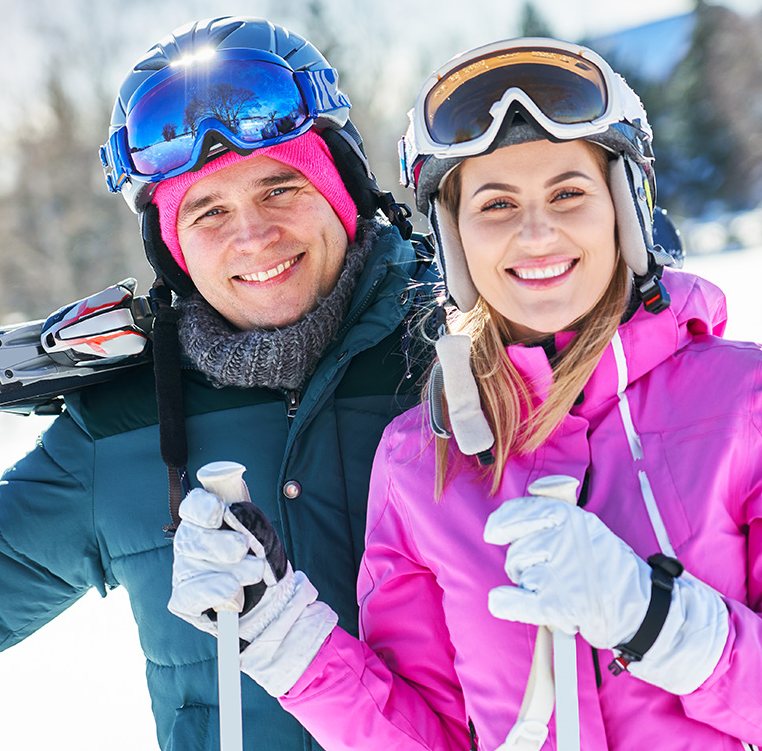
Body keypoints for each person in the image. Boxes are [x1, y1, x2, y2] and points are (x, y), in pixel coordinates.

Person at [168, 37, 762, 751]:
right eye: (496, 203)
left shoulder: (741, 403)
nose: (535, 232)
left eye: (568, 193)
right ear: (454, 242)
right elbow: (429, 736)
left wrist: (662, 623)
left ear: (622, 211)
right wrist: (278, 632)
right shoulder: (420, 460)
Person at [0, 15, 436, 751]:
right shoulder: (122, 423)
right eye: (208, 211)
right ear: (172, 246)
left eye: (280, 188)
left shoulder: (469, 352)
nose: (252, 236)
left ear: (343, 188)